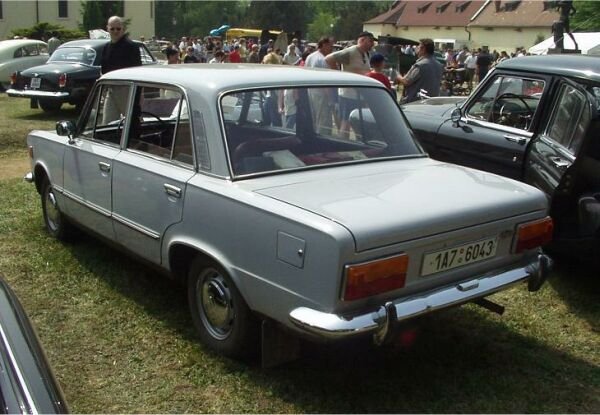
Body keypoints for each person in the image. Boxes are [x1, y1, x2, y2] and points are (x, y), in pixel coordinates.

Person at [325, 31, 374, 137]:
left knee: (359, 121)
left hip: (360, 94)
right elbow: (329, 59)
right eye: (370, 41)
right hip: (348, 94)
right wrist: (338, 74)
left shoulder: (366, 53)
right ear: (362, 40)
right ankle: (342, 146)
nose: (372, 44)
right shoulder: (350, 51)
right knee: (346, 121)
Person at [100, 16, 142, 125]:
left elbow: (138, 71)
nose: (115, 31)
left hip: (127, 89)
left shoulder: (131, 47)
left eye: (118, 29)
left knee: (132, 123)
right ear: (107, 29)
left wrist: (136, 95)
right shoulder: (106, 47)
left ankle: (137, 141)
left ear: (123, 29)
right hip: (111, 89)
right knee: (107, 124)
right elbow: (104, 69)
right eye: (112, 29)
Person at [396, 38, 443, 103]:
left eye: (418, 46)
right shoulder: (439, 65)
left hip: (416, 101)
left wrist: (397, 75)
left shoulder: (420, 65)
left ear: (423, 49)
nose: (416, 48)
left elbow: (406, 81)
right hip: (432, 101)